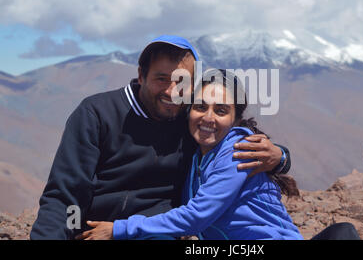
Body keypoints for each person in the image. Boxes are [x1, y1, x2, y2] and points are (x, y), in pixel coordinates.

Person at [30, 35, 291, 240]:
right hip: (97, 231)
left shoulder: (191, 119)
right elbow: (65, 194)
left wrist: (280, 156)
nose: (171, 91)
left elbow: (231, 139)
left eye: (181, 81)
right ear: (141, 76)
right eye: (161, 79)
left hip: (156, 233)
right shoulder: (98, 114)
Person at [75, 69, 303, 240]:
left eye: (221, 110)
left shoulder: (238, 150)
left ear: (236, 119)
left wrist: (118, 229)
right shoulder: (197, 156)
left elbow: (196, 216)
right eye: (200, 107)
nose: (208, 118)